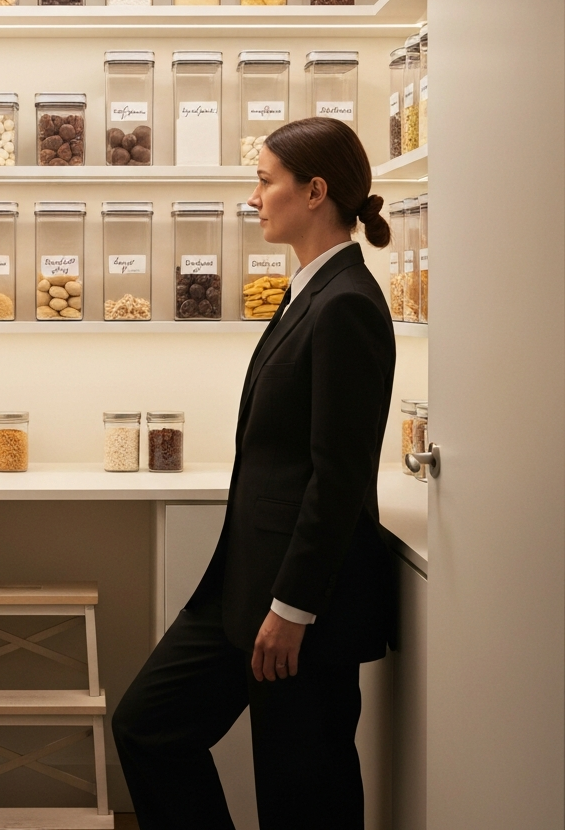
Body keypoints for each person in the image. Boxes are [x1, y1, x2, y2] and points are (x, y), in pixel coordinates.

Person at [113, 117, 397, 830]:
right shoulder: (308, 292)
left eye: (265, 180)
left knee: (305, 796)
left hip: (302, 608)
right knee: (148, 725)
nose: (253, 197)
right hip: (246, 588)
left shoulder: (347, 307)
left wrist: (293, 609)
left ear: (315, 191)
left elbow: (338, 479)